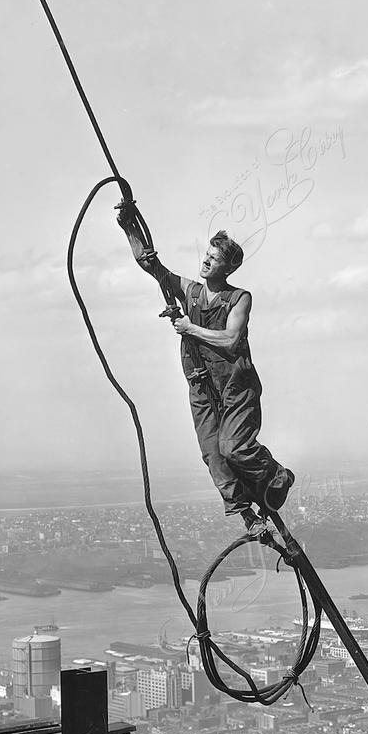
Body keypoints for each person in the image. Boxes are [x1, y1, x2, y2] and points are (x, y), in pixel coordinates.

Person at [117, 202, 294, 529]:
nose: (206, 260)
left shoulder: (239, 298)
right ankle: (246, 515)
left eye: (214, 258)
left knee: (234, 448)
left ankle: (275, 475)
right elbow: (152, 267)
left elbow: (230, 339)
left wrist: (189, 328)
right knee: (213, 454)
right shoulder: (191, 291)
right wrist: (128, 226)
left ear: (227, 267)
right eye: (207, 254)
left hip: (235, 387)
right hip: (201, 383)